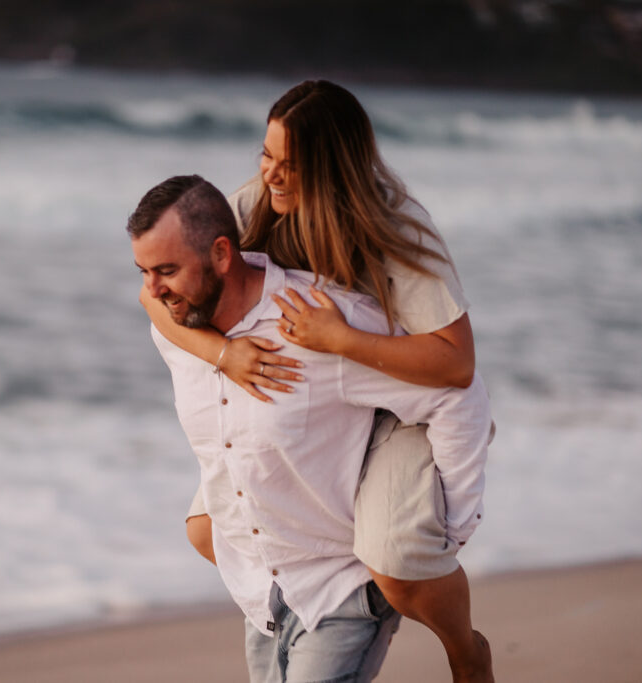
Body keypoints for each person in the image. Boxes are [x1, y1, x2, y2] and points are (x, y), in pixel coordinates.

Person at [139, 81, 493, 682]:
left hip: (390, 397)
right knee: (207, 530)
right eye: (266, 154)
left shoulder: (398, 230)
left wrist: (342, 342)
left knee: (395, 558)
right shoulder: (255, 203)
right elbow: (156, 295)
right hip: (313, 392)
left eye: (290, 165)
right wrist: (225, 355)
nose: (272, 175)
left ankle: (463, 648)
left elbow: (456, 367)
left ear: (331, 170)